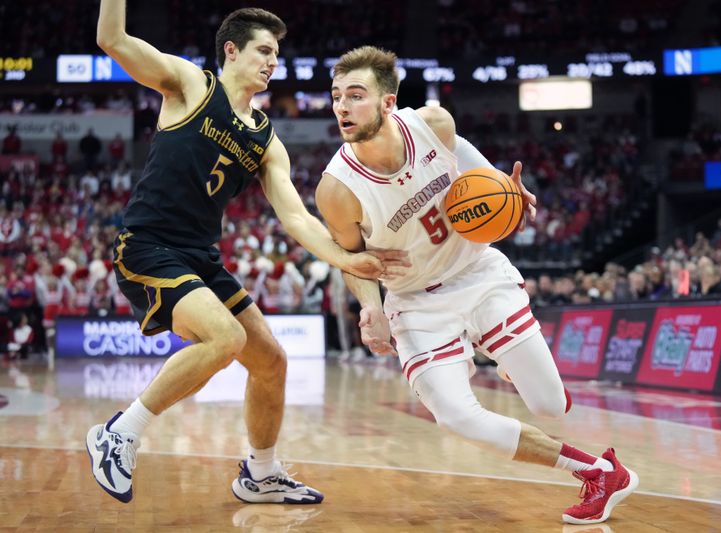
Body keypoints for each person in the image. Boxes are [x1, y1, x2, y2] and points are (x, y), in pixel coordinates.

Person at [87, 4, 409, 505]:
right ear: (231, 51)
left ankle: (260, 475)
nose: (272, 62)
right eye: (263, 50)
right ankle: (120, 433)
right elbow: (112, 39)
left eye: (276, 54)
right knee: (225, 336)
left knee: (271, 362)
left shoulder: (265, 139)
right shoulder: (192, 85)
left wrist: (347, 260)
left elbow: (298, 219)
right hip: (148, 246)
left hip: (200, 257)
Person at [315, 46, 638, 525]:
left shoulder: (434, 125)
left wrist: (508, 190)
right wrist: (370, 307)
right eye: (337, 96)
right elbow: (349, 259)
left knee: (549, 405)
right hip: (416, 304)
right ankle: (599, 471)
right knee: (457, 417)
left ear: (387, 103)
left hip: (477, 274)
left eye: (356, 96)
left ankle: (503, 356)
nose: (342, 106)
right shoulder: (337, 189)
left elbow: (478, 171)